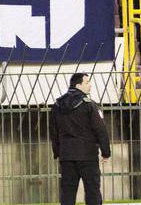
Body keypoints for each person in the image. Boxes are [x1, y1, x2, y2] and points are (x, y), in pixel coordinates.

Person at [51, 71, 110, 205]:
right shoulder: (89, 104)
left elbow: (54, 132)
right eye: (87, 82)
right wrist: (105, 152)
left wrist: (57, 153)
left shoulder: (57, 106)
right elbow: (100, 129)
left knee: (67, 191)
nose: (90, 85)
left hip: (67, 156)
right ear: (78, 85)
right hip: (87, 155)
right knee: (92, 190)